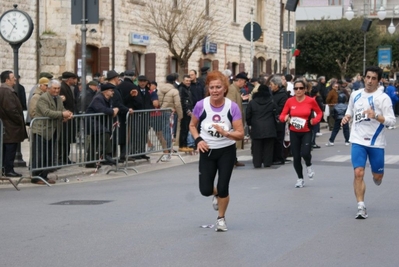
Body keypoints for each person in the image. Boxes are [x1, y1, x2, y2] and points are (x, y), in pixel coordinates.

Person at [189, 70, 244, 232]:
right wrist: (198, 139)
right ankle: (216, 195)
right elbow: (192, 125)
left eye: (218, 87)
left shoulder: (231, 107)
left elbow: (240, 134)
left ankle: (221, 218)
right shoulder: (201, 105)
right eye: (212, 87)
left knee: (223, 187)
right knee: (205, 190)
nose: (215, 90)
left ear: (224, 89)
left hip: (226, 151)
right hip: (207, 151)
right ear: (208, 88)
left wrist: (226, 133)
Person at [341, 66, 396, 219]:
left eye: (373, 78)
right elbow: (350, 110)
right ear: (364, 77)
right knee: (358, 173)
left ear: (378, 81)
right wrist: (347, 117)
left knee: (377, 177)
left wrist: (376, 116)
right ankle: (361, 206)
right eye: (368, 77)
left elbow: (391, 121)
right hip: (358, 140)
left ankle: (377, 176)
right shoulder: (355, 94)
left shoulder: (383, 98)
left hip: (376, 142)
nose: (370, 81)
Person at [279, 79, 322, 188]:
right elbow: (282, 115)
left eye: (301, 88)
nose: (298, 90)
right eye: (296, 88)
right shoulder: (290, 101)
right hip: (294, 132)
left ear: (305, 89)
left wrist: (315, 121)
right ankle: (300, 178)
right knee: (296, 157)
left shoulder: (310, 101)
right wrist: (285, 118)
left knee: (306, 153)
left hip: (307, 131)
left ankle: (309, 165)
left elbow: (319, 112)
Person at [30, 79, 73, 184]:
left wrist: (67, 113)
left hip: (52, 130)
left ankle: (44, 176)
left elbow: (61, 109)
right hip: (42, 130)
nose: (57, 90)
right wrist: (62, 114)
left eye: (58, 88)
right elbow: (47, 112)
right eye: (54, 88)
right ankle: (36, 177)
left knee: (49, 155)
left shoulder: (58, 98)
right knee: (40, 155)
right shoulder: (43, 98)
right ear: (49, 88)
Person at [0, 71, 28, 177]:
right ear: (7, 80)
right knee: (10, 149)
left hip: (8, 125)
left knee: (7, 148)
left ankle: (5, 168)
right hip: (10, 126)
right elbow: (11, 109)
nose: (15, 79)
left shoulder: (5, 90)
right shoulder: (6, 91)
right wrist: (19, 120)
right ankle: (8, 169)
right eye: (13, 78)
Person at [85, 83, 120, 166]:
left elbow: (110, 109)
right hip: (93, 122)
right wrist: (113, 111)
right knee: (105, 133)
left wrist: (115, 110)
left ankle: (90, 162)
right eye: (111, 91)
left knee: (94, 142)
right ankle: (107, 154)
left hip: (99, 122)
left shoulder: (108, 99)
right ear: (105, 91)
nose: (113, 92)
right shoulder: (98, 98)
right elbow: (102, 109)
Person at [246, 85, 277, 168]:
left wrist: (250, 123)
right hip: (270, 126)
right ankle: (267, 162)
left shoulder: (252, 102)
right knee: (268, 146)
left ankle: (257, 163)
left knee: (256, 146)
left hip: (256, 126)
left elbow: (248, 115)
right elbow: (276, 113)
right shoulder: (271, 101)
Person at [227, 72, 249, 166]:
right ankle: (231, 160)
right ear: (239, 81)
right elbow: (231, 105)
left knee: (234, 141)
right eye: (244, 82)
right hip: (233, 120)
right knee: (232, 141)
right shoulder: (232, 89)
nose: (244, 84)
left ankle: (234, 159)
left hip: (236, 119)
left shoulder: (236, 89)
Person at [59, 71, 78, 164]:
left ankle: (66, 157)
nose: (75, 81)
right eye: (74, 79)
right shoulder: (62, 87)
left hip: (69, 117)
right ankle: (62, 158)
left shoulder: (69, 88)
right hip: (65, 118)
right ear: (69, 79)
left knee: (67, 139)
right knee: (64, 139)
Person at [178, 75, 193, 152]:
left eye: (189, 81)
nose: (188, 82)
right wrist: (187, 110)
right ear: (183, 81)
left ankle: (185, 144)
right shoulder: (182, 89)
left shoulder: (188, 89)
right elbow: (182, 101)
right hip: (184, 112)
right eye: (187, 81)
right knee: (184, 129)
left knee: (186, 129)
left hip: (188, 111)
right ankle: (182, 145)